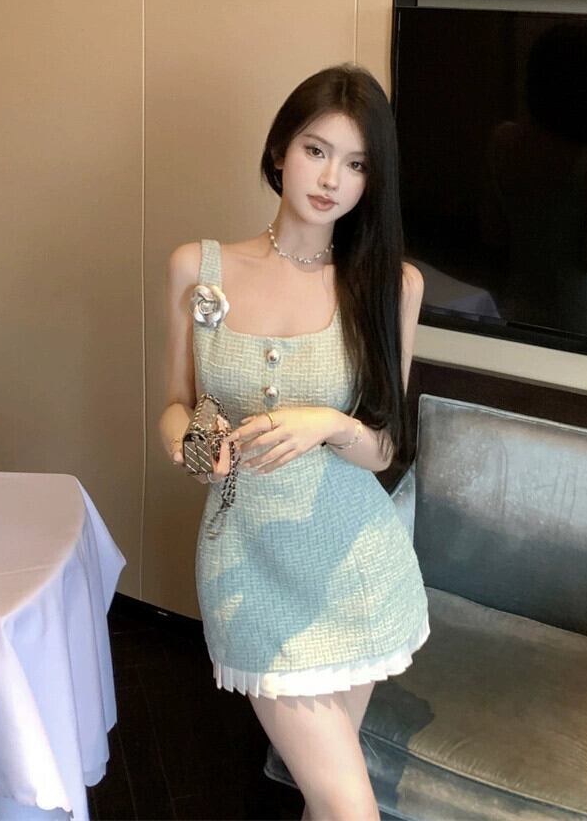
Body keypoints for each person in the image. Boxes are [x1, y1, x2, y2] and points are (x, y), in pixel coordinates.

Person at [159, 63, 429, 821]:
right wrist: (194, 445)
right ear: (280, 150)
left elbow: (384, 451)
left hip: (358, 565)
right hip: (246, 566)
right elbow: (174, 407)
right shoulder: (198, 268)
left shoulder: (391, 286)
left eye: (357, 164)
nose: (332, 179)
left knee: (327, 800)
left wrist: (331, 424)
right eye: (316, 150)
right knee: (349, 805)